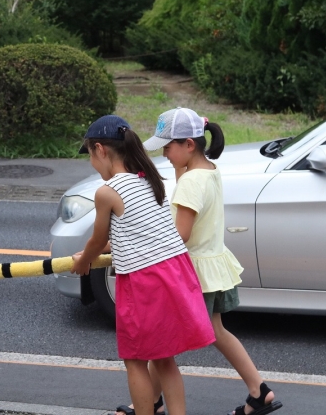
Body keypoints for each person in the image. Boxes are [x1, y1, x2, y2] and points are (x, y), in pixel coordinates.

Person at [131, 107, 283, 415]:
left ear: (188, 144)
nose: (164, 153)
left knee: (163, 346)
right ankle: (259, 390)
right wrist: (177, 170)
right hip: (212, 266)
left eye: (168, 146)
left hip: (191, 272)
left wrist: (142, 242)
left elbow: (180, 235)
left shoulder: (190, 182)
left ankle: (149, 403)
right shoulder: (208, 170)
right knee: (215, 332)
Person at [71, 114, 215, 415]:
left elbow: (98, 240)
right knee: (164, 358)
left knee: (135, 359)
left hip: (144, 281)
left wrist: (84, 260)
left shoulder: (107, 192)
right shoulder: (149, 179)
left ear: (100, 150)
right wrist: (93, 253)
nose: (92, 164)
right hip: (175, 270)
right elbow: (136, 233)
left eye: (90, 156)